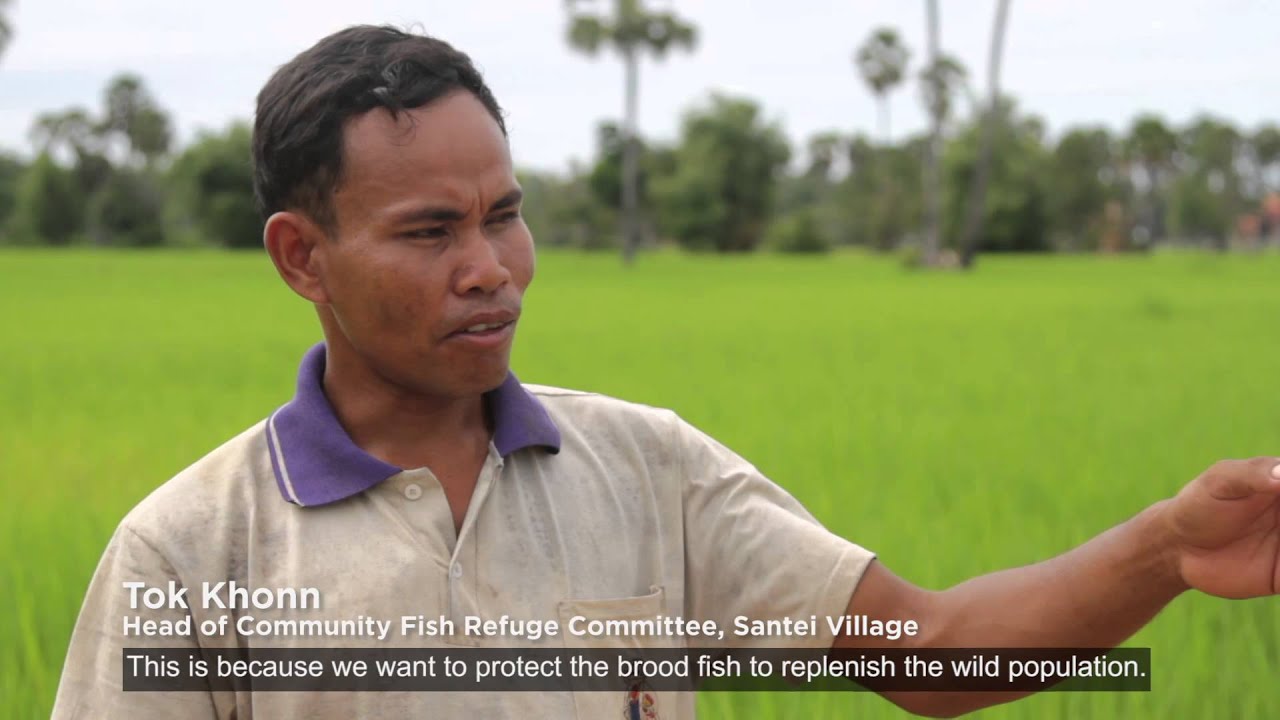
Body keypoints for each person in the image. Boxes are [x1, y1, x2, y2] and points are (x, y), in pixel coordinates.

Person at [52, 24, 1280, 720]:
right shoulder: (195, 552)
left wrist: (1164, 550)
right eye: (430, 233)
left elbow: (931, 648)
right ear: (299, 256)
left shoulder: (644, 469)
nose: (491, 268)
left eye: (505, 214)